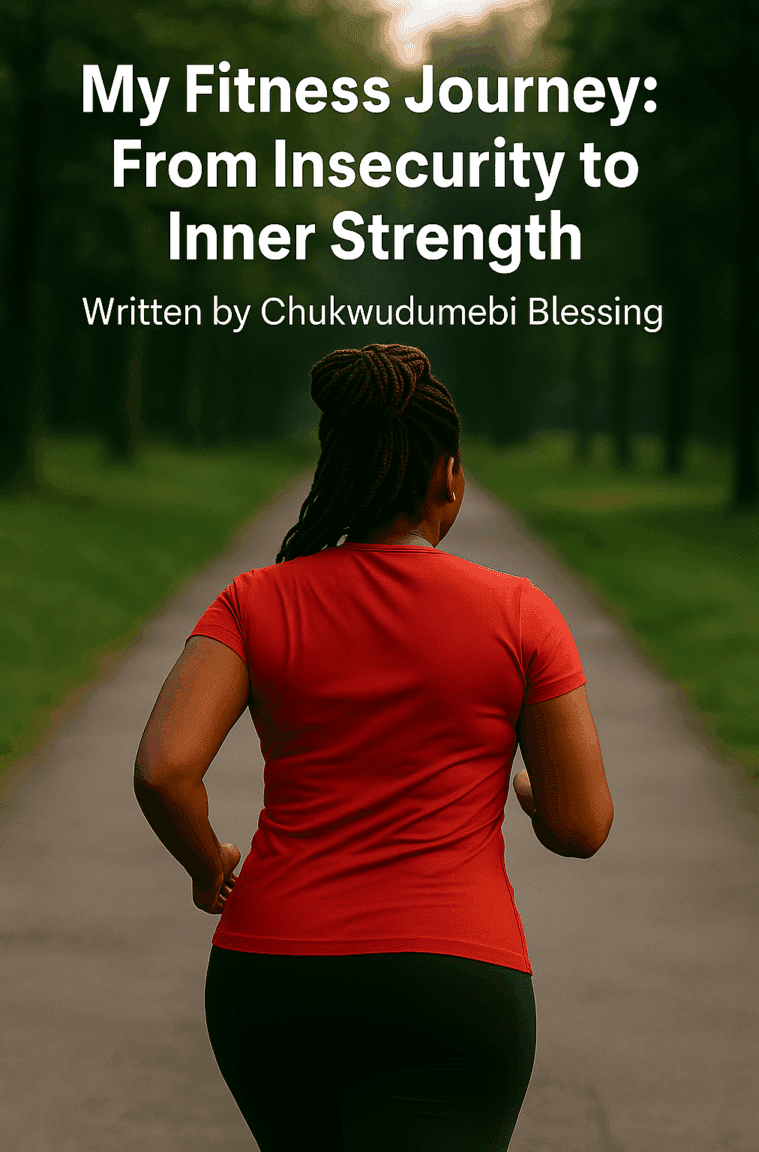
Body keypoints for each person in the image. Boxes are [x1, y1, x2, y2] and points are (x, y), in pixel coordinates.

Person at [134, 343, 613, 1152]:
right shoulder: (520, 613)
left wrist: (205, 862)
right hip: (454, 980)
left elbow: (165, 769)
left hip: (274, 972)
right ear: (450, 476)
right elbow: (580, 826)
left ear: (337, 471)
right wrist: (527, 790)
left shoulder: (254, 602)